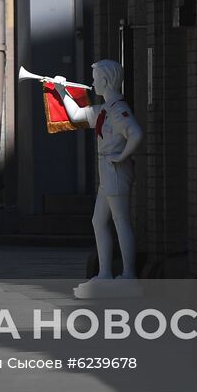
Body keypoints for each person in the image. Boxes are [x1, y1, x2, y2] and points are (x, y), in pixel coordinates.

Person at [52, 59, 143, 296]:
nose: (92, 83)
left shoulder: (118, 110)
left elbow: (136, 133)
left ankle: (129, 274)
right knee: (99, 221)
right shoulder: (104, 109)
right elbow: (77, 115)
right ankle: (105, 273)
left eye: (95, 79)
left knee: (120, 220)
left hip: (114, 168)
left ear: (105, 80)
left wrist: (121, 156)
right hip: (107, 169)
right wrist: (61, 91)